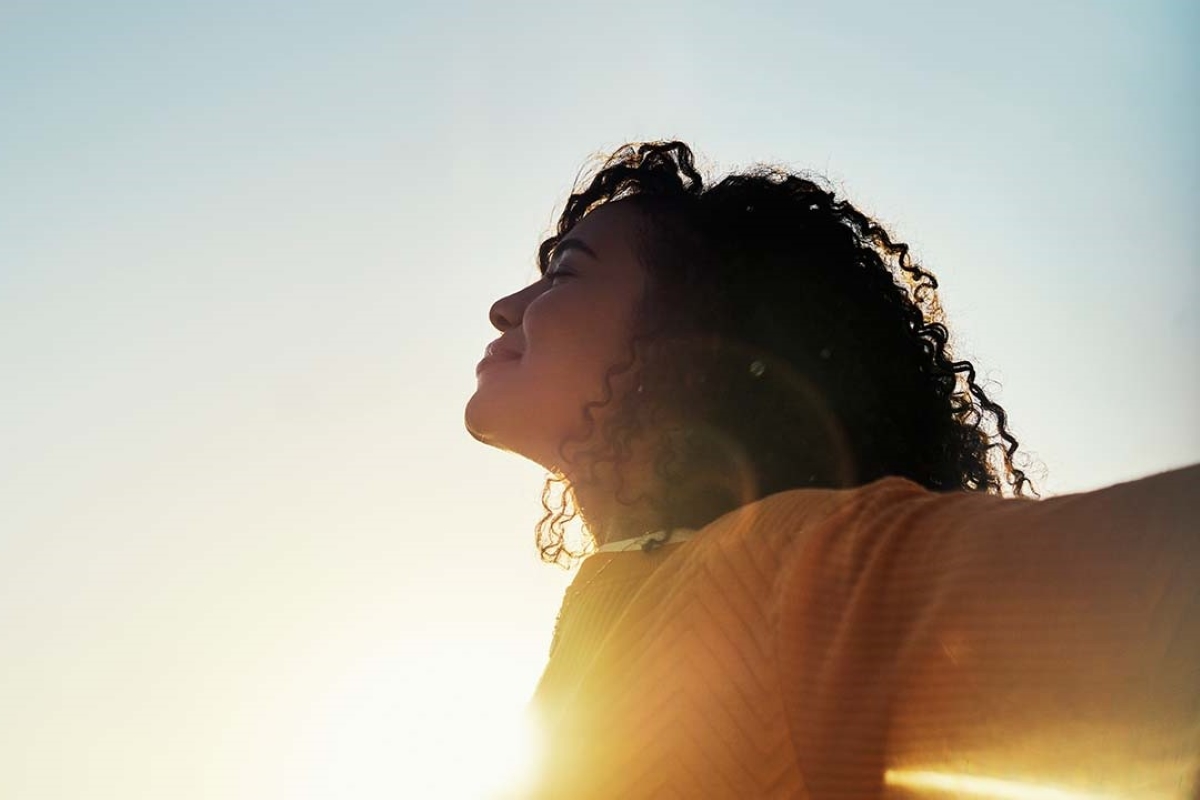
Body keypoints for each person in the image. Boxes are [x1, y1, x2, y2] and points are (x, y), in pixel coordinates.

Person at [464, 141, 1199, 799]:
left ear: (693, 333)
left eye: (564, 274)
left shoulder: (796, 574)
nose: (504, 307)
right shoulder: (616, 615)